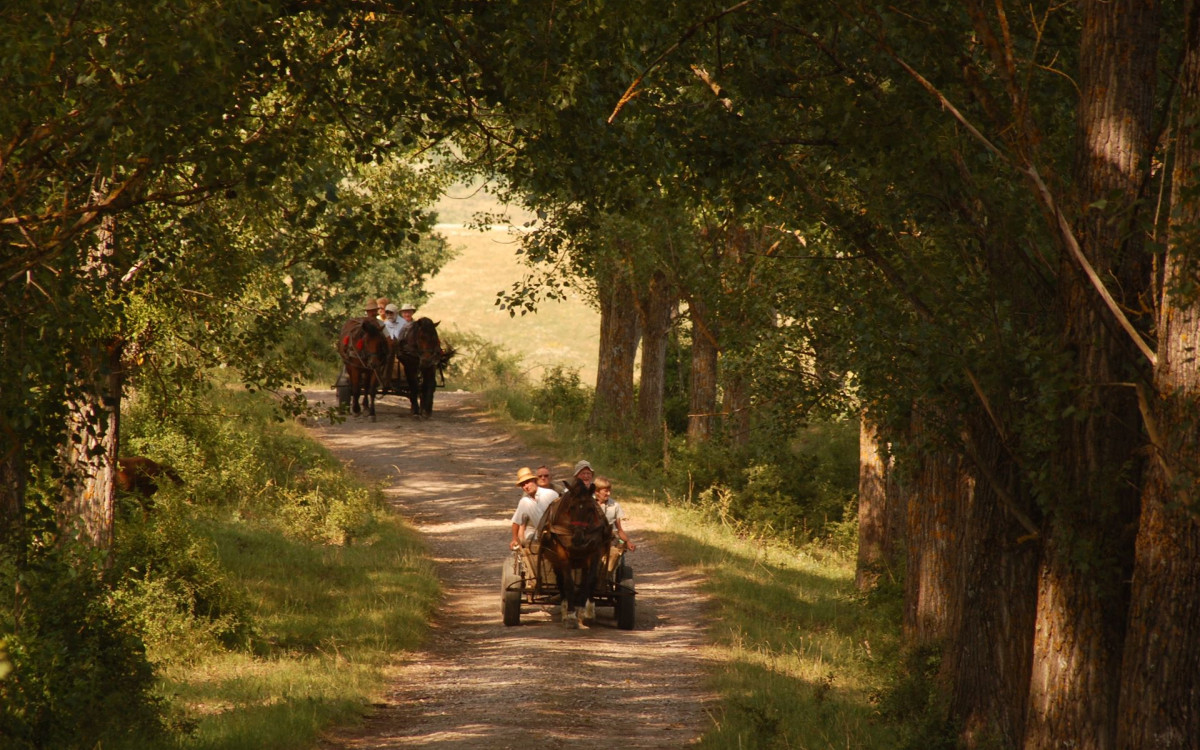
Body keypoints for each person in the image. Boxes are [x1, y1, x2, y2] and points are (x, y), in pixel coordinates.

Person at [594, 475, 635, 577]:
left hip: (608, 539)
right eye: (605, 491)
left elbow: (619, 529)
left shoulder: (614, 505)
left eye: (609, 490)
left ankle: (603, 579)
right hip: (591, 539)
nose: (608, 493)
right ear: (597, 491)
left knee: (615, 552)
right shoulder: (588, 503)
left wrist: (627, 541)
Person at [509, 466, 557, 550]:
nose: (526, 486)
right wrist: (514, 538)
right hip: (542, 535)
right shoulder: (524, 502)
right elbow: (516, 522)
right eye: (523, 485)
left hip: (558, 532)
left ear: (534, 481)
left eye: (528, 482)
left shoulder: (551, 494)